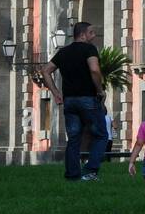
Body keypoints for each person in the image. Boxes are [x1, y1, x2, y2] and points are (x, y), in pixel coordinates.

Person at [41, 21, 109, 181]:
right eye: (91, 32)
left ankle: (72, 175)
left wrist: (56, 93)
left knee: (73, 138)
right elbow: (94, 69)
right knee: (100, 135)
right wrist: (100, 90)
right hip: (88, 99)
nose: (94, 35)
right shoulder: (90, 49)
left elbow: (45, 70)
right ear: (83, 34)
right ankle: (90, 171)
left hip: (69, 101)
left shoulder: (63, 52)